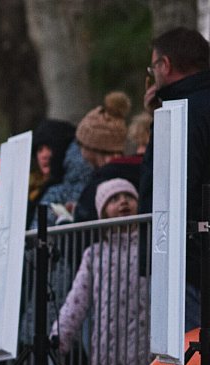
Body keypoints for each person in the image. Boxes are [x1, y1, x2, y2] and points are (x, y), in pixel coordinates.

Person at [52, 179, 149, 365]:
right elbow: (75, 302)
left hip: (146, 356)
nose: (123, 203)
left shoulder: (151, 249)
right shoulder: (95, 254)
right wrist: (59, 337)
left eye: (128, 197)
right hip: (108, 356)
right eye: (114, 199)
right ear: (102, 212)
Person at [138, 27, 210, 331]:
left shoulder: (184, 111)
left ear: (165, 65)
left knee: (188, 359)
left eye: (153, 67)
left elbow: (176, 180)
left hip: (187, 258)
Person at [38, 92, 131, 226]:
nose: (77, 150)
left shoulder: (97, 185)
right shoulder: (129, 173)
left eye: (80, 144)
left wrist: (66, 220)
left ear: (91, 147)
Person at [71, 92, 134, 223]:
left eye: (81, 144)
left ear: (93, 147)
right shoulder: (135, 170)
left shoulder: (100, 183)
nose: (80, 150)